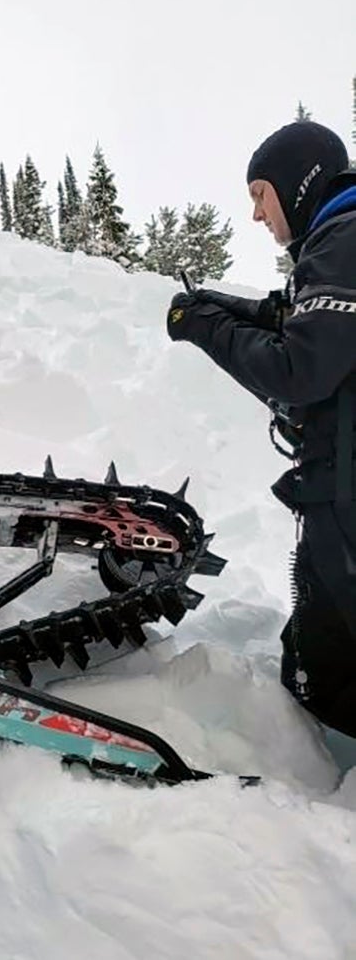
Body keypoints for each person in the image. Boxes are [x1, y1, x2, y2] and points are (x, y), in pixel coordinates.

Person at [165, 119, 356, 771]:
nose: (254, 213)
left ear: (297, 184)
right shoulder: (338, 243)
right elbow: (290, 319)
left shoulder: (345, 235)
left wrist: (204, 329)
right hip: (337, 494)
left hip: (347, 502)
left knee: (324, 666)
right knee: (316, 658)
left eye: (259, 194)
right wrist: (216, 307)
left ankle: (314, 807)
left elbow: (299, 373)